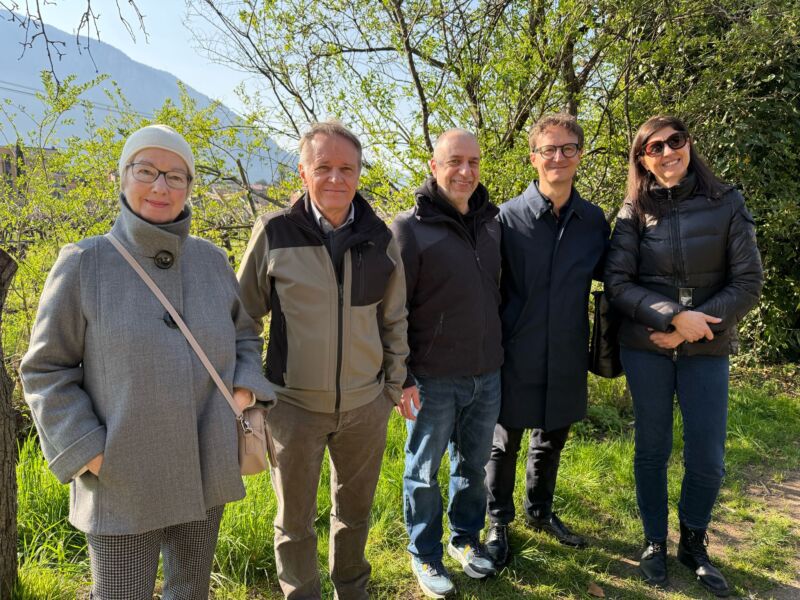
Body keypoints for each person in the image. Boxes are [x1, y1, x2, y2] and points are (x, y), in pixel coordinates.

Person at [20, 124, 276, 599]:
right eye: (146, 171)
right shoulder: (84, 262)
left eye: (176, 176)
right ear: (122, 177)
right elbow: (45, 370)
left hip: (205, 462)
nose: (161, 186)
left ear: (189, 186)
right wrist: (91, 452)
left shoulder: (212, 261)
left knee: (190, 592)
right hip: (122, 476)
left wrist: (243, 392)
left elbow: (245, 334)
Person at [237, 120, 408, 600]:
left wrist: (391, 389)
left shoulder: (380, 237)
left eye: (347, 168)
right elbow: (242, 318)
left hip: (365, 408)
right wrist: (256, 388)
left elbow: (394, 319)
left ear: (359, 173)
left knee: (355, 514)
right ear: (303, 172)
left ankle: (352, 590)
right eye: (324, 167)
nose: (336, 178)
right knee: (294, 522)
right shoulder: (273, 233)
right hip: (292, 408)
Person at [604, 115, 763, 596]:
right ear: (642, 159)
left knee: (708, 456)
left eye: (675, 141)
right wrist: (673, 318)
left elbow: (748, 282)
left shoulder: (727, 202)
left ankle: (693, 543)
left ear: (689, 144)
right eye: (654, 147)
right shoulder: (633, 210)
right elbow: (617, 283)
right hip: (647, 346)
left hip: (707, 346)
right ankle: (654, 541)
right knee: (652, 449)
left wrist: (694, 329)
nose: (667, 152)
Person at [483, 113, 610, 566]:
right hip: (515, 350)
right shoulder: (506, 218)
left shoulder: (593, 221)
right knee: (503, 443)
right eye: (549, 149)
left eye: (568, 148)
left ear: (580, 155)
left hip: (568, 349)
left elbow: (616, 276)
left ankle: (539, 510)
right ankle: (498, 521)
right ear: (533, 157)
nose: (559, 157)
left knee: (552, 437)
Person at [391, 129, 503, 598]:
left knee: (473, 467)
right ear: (433, 166)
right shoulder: (409, 228)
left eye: (473, 162)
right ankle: (424, 552)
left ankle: (464, 538)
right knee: (423, 472)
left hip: (486, 373)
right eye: (454, 161)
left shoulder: (492, 223)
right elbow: (392, 309)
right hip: (431, 378)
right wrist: (402, 376)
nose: (465, 171)